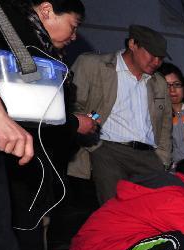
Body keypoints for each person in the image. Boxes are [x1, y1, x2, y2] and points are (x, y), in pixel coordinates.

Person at [0, 0, 97, 250]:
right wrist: (72, 122)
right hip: (15, 157)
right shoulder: (6, 25)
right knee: (22, 245)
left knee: (39, 244)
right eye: (74, 24)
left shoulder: (32, 36)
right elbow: (26, 102)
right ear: (48, 10)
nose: (75, 34)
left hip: (36, 158)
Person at [67, 24, 171, 204]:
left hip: (148, 156)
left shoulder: (158, 83)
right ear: (133, 44)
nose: (156, 62)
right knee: (114, 213)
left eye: (160, 58)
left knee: (156, 212)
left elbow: (164, 125)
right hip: (108, 150)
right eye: (152, 54)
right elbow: (73, 105)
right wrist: (94, 145)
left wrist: (162, 159)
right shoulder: (94, 65)